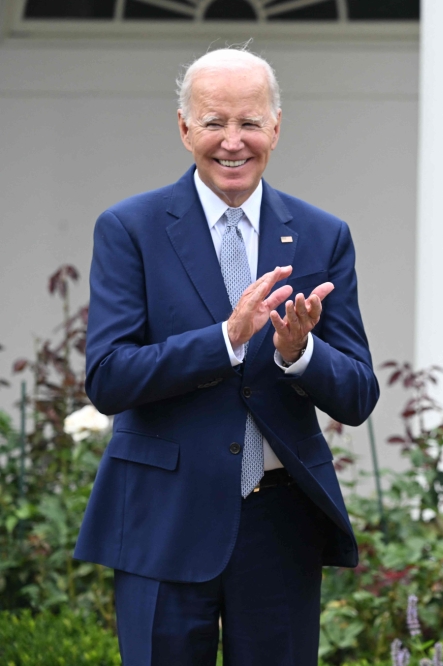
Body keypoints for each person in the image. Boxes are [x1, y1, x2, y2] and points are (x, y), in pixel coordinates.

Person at [73, 46, 379, 665]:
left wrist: (300, 353)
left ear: (276, 126)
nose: (232, 142)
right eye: (214, 123)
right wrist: (226, 340)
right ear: (184, 127)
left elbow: (358, 393)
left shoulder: (322, 234)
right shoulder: (129, 228)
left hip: (279, 525)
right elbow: (108, 377)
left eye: (249, 122)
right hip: (164, 519)